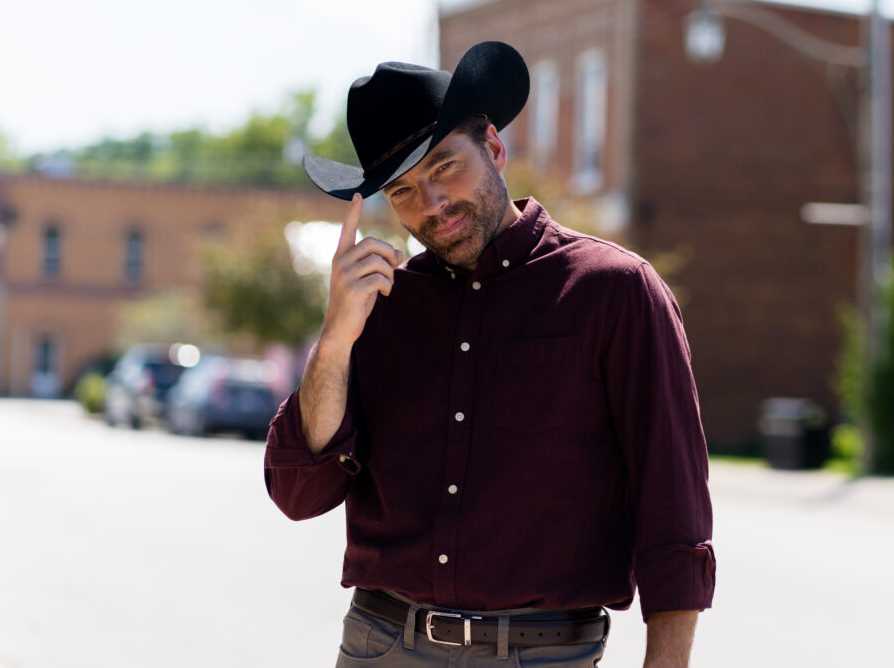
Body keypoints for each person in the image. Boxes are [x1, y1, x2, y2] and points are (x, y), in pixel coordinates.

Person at [264, 41, 715, 667]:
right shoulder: (377, 307)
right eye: (402, 191)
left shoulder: (615, 293)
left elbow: (674, 512)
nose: (432, 205)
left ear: (495, 148)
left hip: (544, 654)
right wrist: (336, 337)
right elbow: (296, 493)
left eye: (445, 167)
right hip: (381, 644)